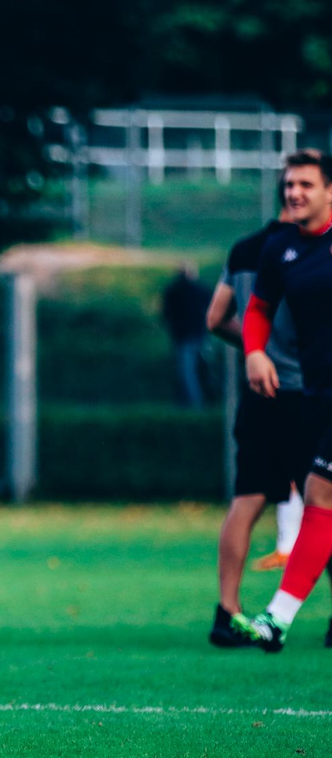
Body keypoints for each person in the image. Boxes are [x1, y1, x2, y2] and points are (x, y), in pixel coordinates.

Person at [205, 196, 317, 647]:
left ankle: (227, 611)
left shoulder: (245, 248)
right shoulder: (309, 251)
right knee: (323, 504)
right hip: (307, 392)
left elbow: (216, 318)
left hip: (258, 393)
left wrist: (256, 352)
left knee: (247, 500)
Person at [243, 149, 332, 650]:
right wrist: (255, 352)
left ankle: (277, 619)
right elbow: (259, 308)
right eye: (289, 184)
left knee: (320, 496)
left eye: (306, 184)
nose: (294, 192)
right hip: (317, 393)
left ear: (330, 191)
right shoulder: (280, 249)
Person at [163, 264, 211, 408]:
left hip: (181, 335)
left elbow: (166, 313)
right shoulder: (200, 289)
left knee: (186, 370)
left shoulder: (173, 290)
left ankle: (192, 403)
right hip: (198, 334)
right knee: (192, 369)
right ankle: (195, 403)